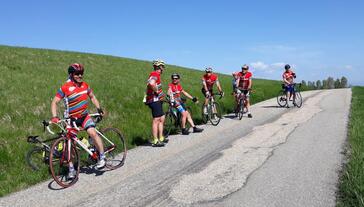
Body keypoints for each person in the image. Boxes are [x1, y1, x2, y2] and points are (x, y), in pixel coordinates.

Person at [50, 63, 106, 179]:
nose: (80, 76)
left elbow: (92, 97)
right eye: (77, 74)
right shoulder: (65, 87)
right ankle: (71, 169)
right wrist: (54, 116)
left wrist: (99, 108)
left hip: (84, 116)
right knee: (69, 144)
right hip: (71, 119)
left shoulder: (85, 85)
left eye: (81, 73)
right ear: (71, 74)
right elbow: (54, 102)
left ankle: (102, 157)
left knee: (92, 133)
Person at [145, 60, 167, 147]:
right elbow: (151, 83)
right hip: (154, 100)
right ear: (160, 67)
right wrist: (157, 92)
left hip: (157, 99)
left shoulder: (156, 75)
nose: (163, 69)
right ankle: (155, 140)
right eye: (162, 67)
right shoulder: (154, 74)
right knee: (156, 120)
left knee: (162, 118)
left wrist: (161, 95)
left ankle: (161, 137)